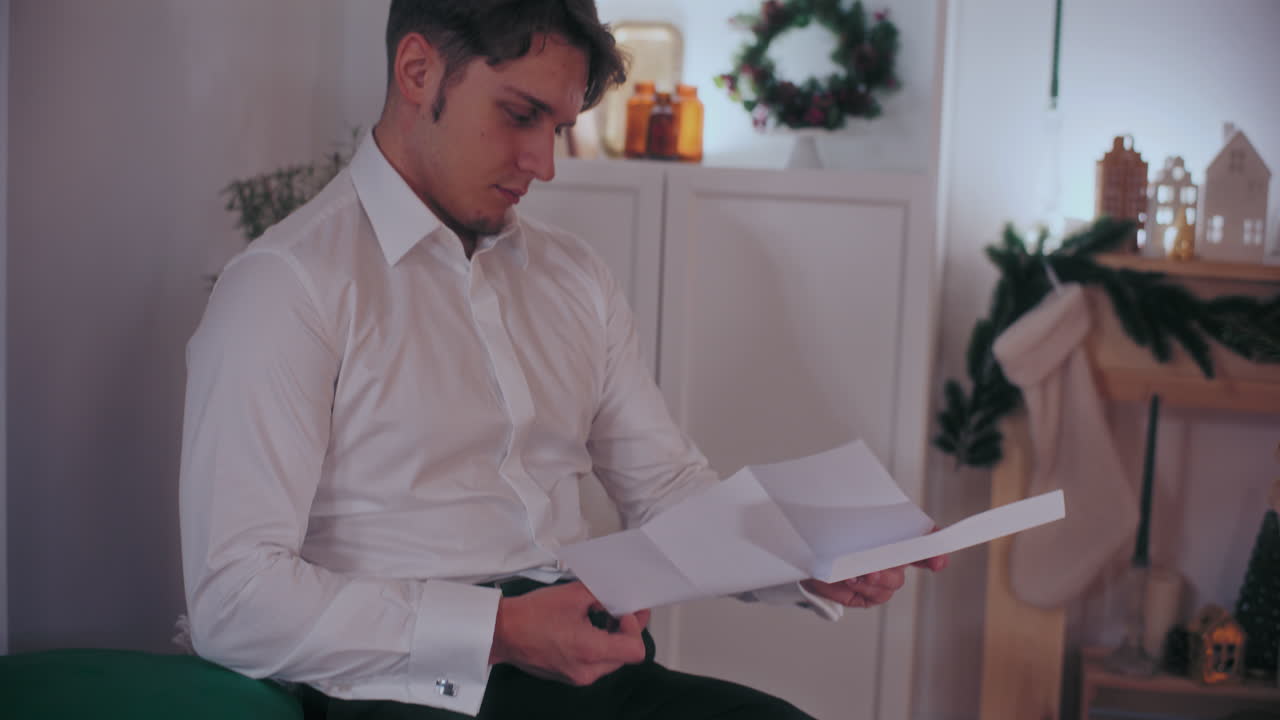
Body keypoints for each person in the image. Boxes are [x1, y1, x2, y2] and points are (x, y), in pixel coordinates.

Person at [178, 1, 947, 718]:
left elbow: (665, 489)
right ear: (417, 73)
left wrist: (803, 559)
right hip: (407, 689)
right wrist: (499, 630)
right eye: (520, 116)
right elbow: (235, 600)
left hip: (591, 671)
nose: (543, 163)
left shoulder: (574, 276)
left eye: (559, 127)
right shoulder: (286, 288)